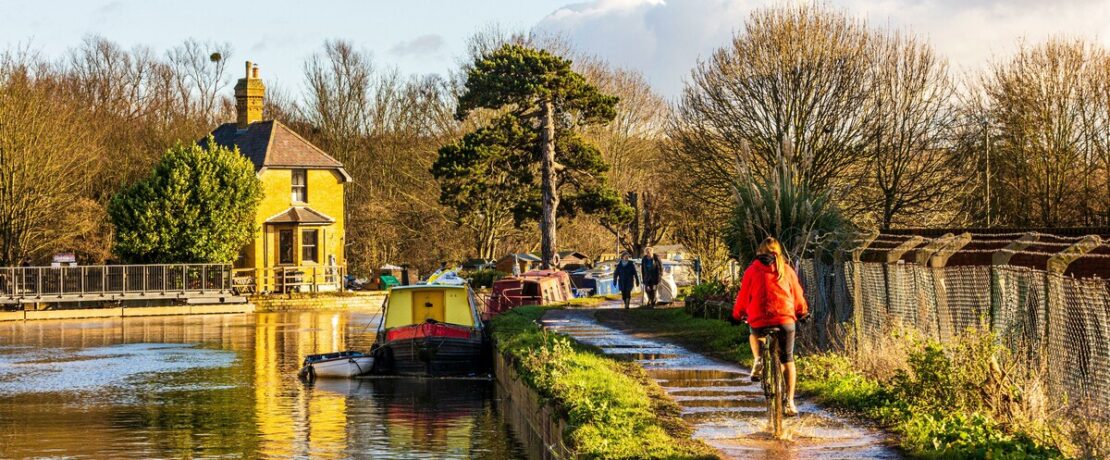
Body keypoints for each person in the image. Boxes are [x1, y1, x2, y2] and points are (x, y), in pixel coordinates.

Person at [732, 237, 809, 417]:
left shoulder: (751, 270)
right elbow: (797, 294)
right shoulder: (786, 269)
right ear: (778, 251)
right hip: (784, 320)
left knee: (754, 333)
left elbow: (743, 296)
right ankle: (789, 401)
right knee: (787, 359)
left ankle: (758, 358)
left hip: (759, 319)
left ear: (760, 251)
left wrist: (738, 314)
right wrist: (802, 312)